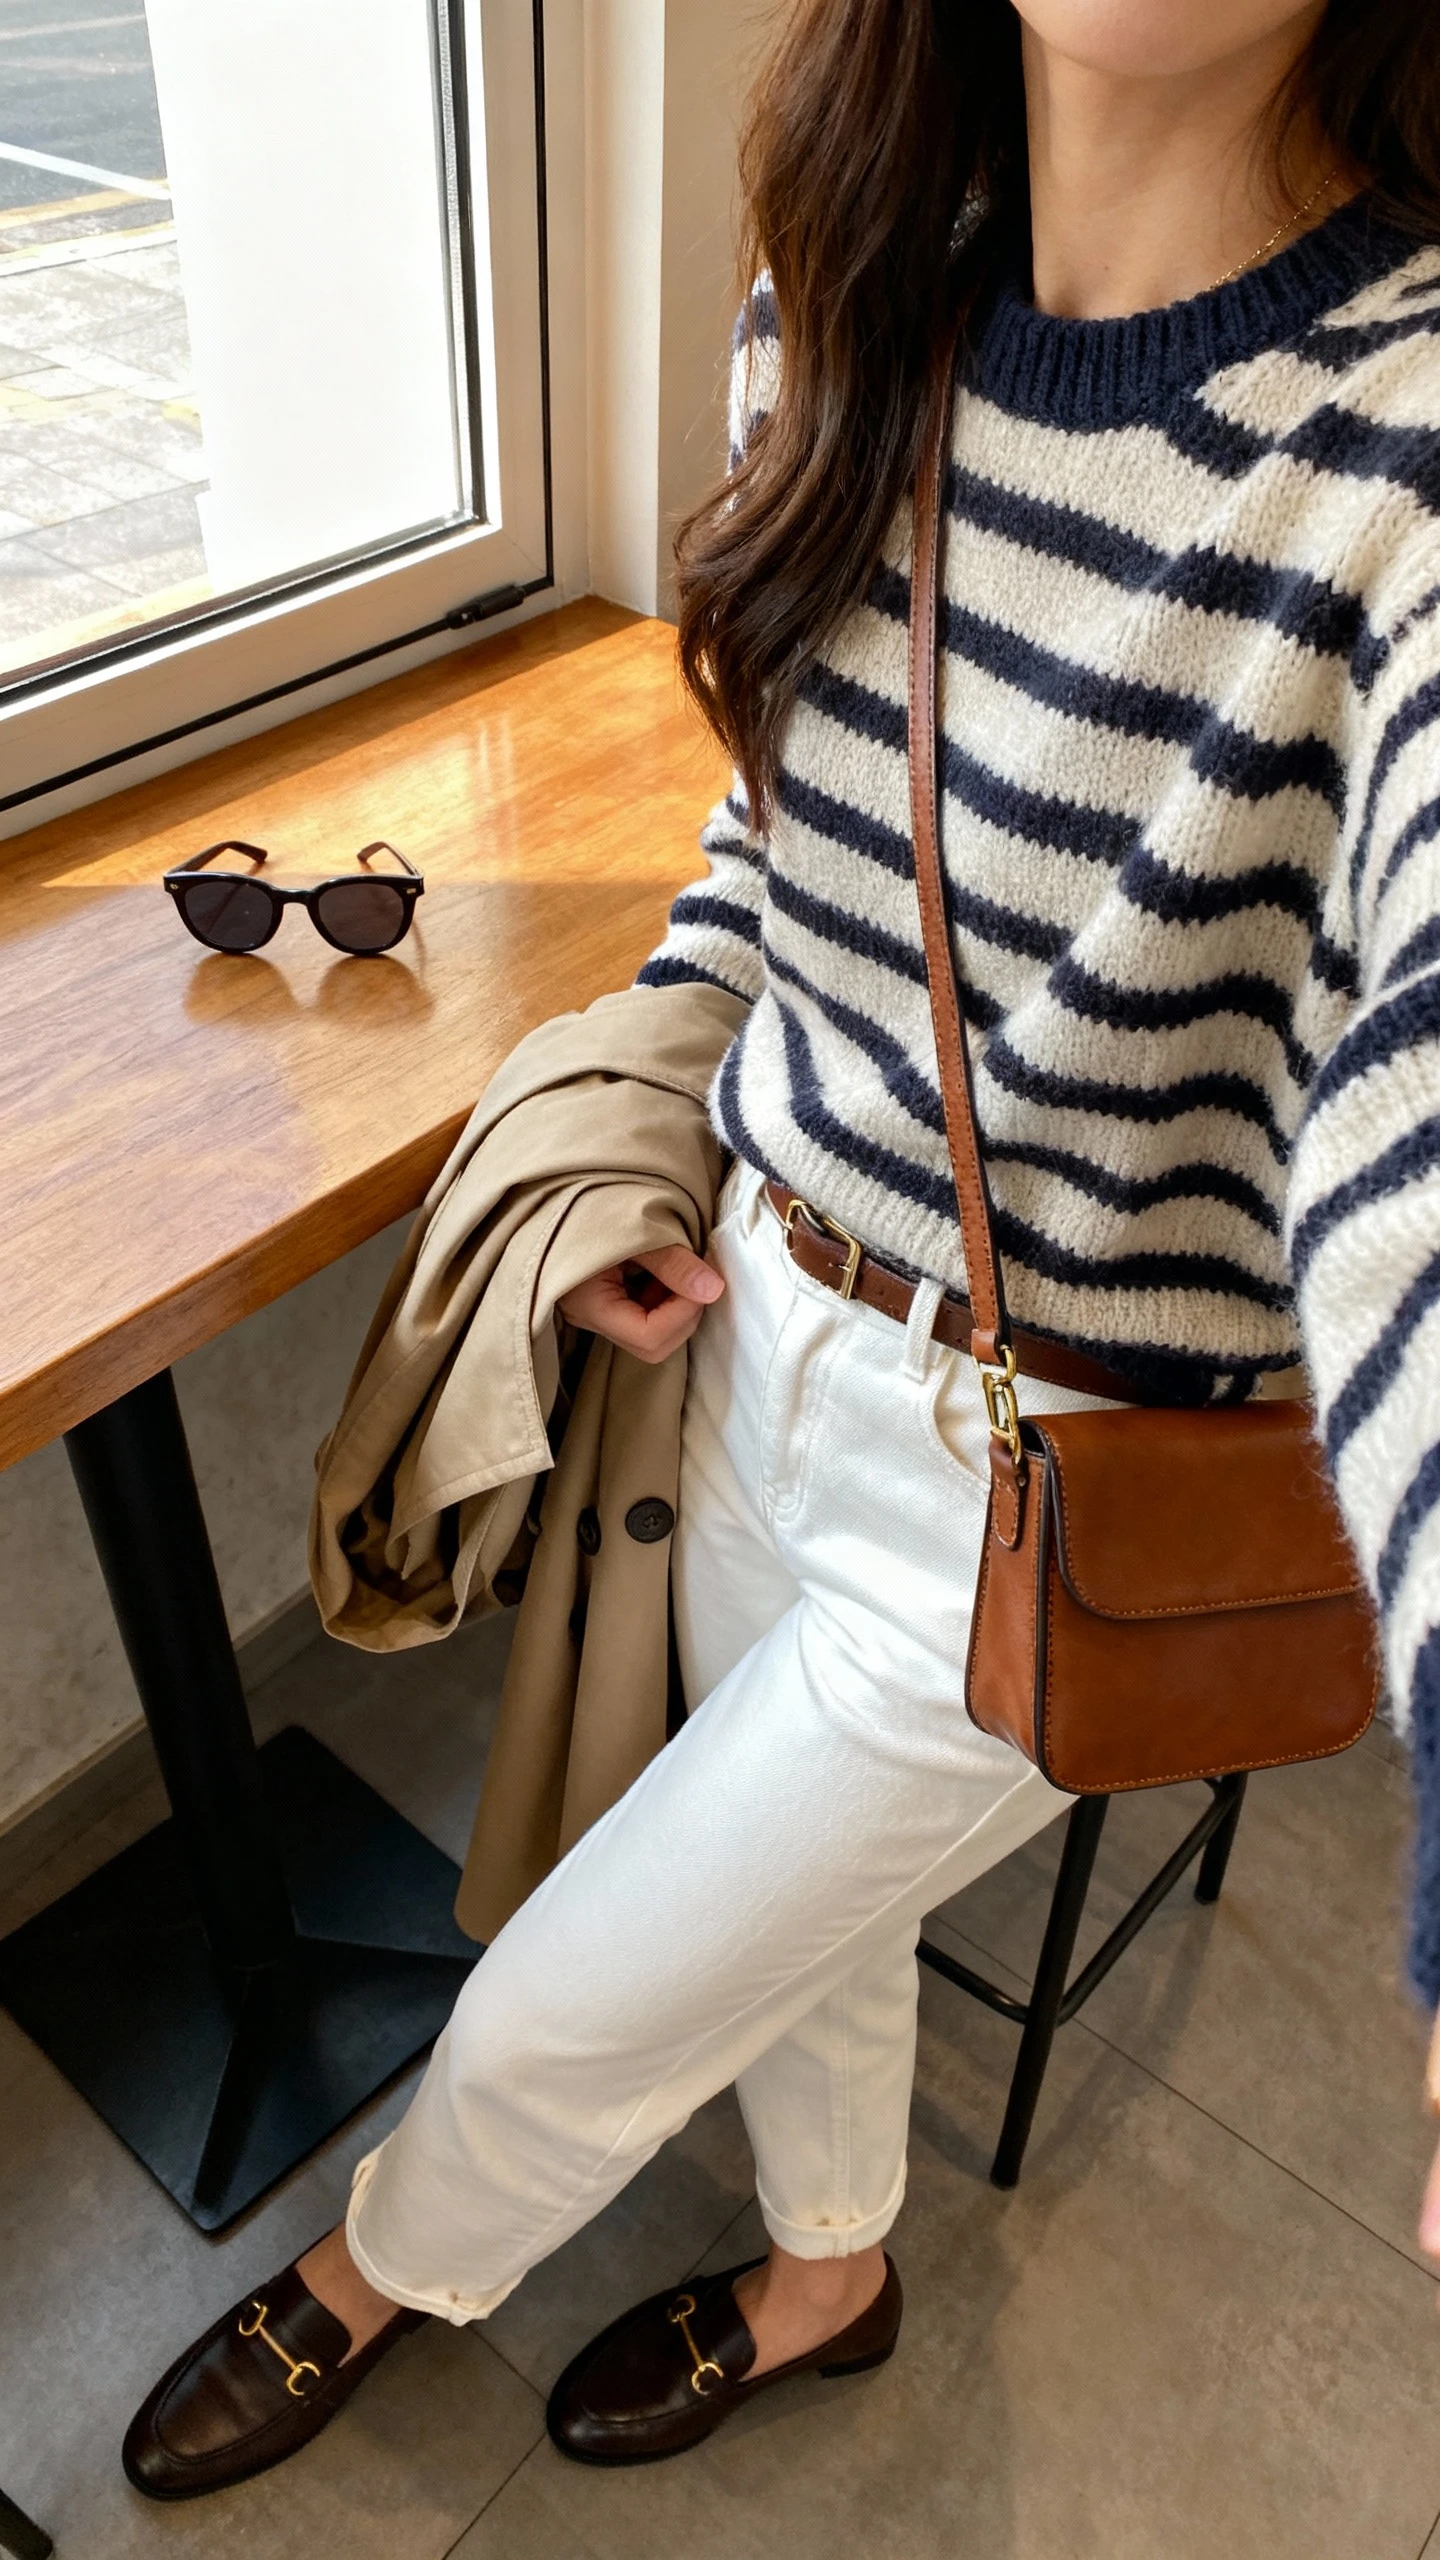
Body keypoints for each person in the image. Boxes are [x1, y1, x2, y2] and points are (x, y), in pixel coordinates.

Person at [123, 0, 1440, 2499]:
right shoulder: (845, 296)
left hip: (1030, 1488)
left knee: (556, 2007)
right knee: (787, 1948)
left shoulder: (1401, 441)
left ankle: (367, 2265)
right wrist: (659, 1119)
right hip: (741, 1320)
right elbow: (789, 841)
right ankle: (833, 2266)